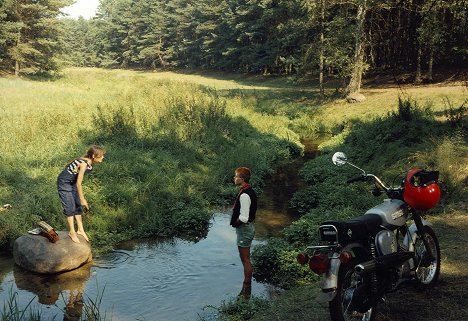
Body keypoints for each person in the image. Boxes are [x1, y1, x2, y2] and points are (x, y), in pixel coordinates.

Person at [57, 145, 105, 243]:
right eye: (101, 155)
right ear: (93, 156)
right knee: (69, 206)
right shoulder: (84, 164)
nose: (103, 157)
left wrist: (80, 200)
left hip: (72, 182)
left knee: (77, 205)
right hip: (64, 182)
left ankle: (80, 230)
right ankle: (72, 232)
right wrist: (83, 199)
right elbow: (79, 183)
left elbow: (76, 181)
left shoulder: (90, 164)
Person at [230, 167, 257, 300]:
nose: (234, 178)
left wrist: (235, 223)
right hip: (248, 228)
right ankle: (246, 289)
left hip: (245, 229)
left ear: (242, 178)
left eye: (235, 176)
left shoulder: (245, 195)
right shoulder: (249, 190)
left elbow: (244, 217)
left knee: (245, 260)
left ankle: (246, 291)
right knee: (245, 259)